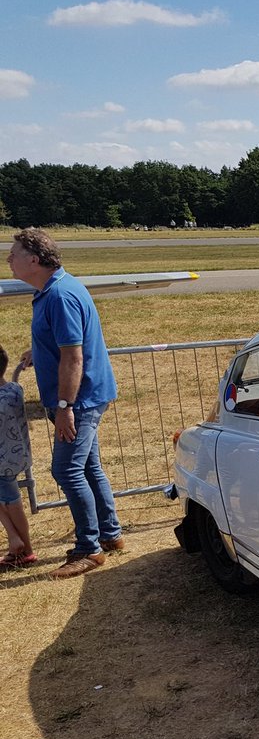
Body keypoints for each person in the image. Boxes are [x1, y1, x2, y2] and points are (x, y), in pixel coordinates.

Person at [6, 228, 124, 579]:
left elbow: (73, 357)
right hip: (86, 395)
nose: (8, 260)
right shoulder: (54, 290)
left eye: (13, 254)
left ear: (34, 260)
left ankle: (88, 548)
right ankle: (110, 534)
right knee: (88, 467)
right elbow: (65, 343)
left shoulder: (59, 296)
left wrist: (64, 407)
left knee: (67, 470)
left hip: (80, 400)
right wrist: (39, 352)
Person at [0, 345, 36, 570]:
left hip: (2, 463)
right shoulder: (14, 390)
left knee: (12, 503)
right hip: (16, 457)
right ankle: (16, 541)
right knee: (9, 500)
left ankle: (25, 548)